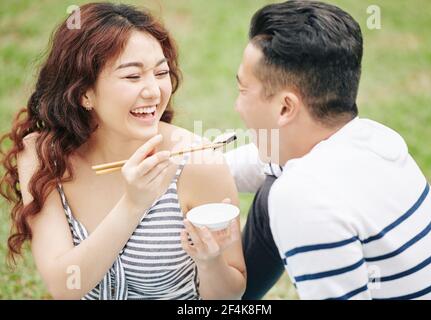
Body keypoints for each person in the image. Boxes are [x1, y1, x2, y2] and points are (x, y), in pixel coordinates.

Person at [0, 3, 246, 300]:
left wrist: (210, 263)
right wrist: (133, 204)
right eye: (132, 77)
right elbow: (65, 287)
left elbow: (230, 297)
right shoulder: (43, 155)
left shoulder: (197, 161)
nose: (154, 91)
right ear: (83, 92)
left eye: (161, 72)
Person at [226, 0, 431, 299]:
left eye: (243, 91)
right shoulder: (373, 138)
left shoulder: (303, 199)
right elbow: (261, 162)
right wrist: (187, 164)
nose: (237, 105)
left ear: (285, 107)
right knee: (269, 192)